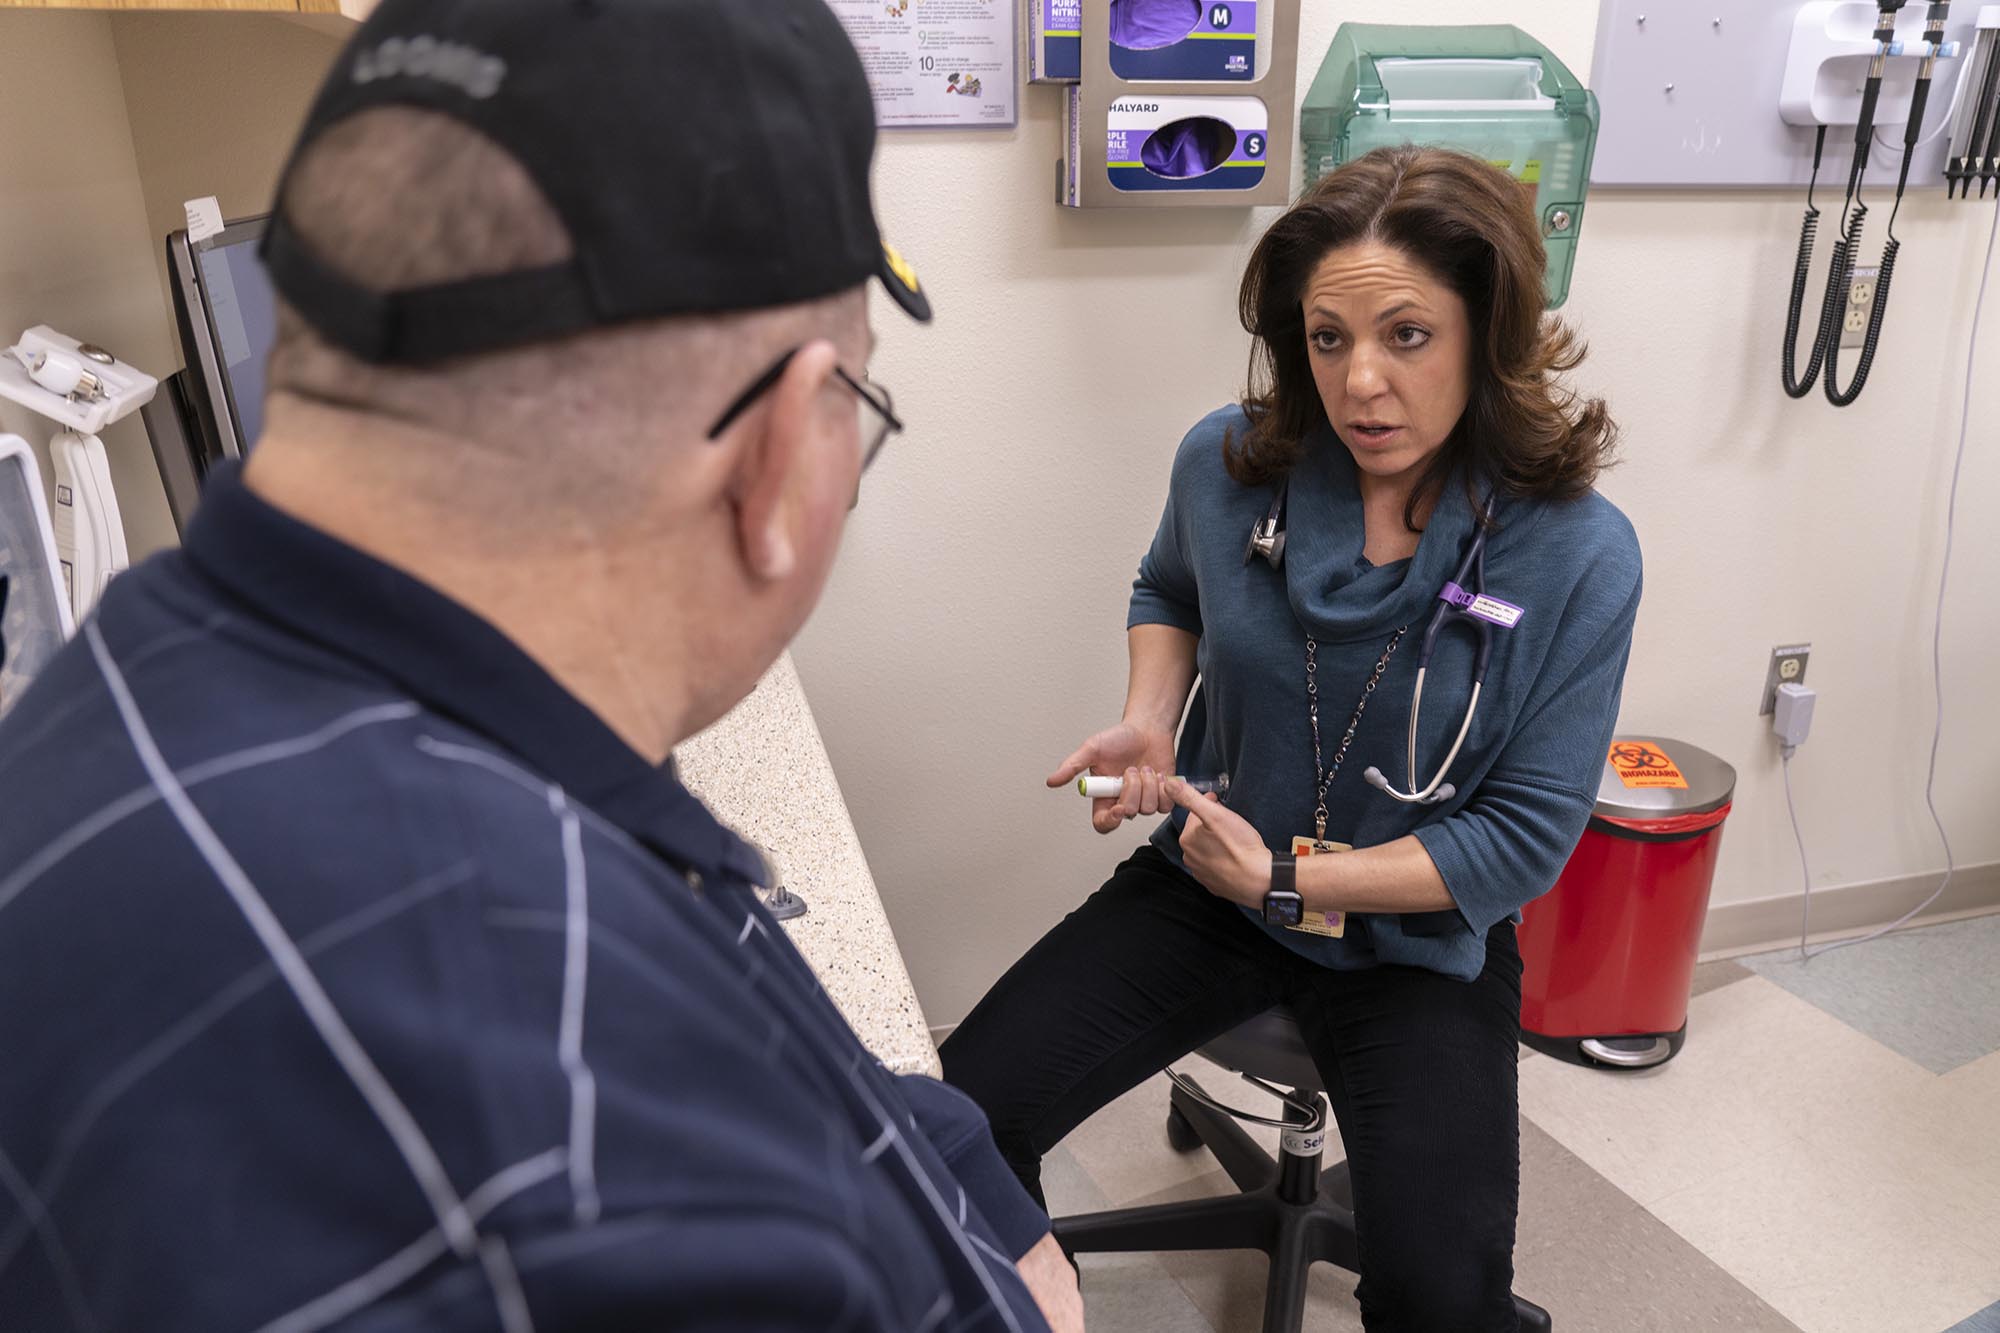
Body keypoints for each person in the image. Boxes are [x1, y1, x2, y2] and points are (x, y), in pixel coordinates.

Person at [0, 4, 1080, 1330]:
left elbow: (751, 1016)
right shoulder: (600, 1161)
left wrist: (973, 1176)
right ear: (787, 450)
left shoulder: (123, 681)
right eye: (862, 413)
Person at [941, 145, 1642, 1330]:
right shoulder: (1229, 465)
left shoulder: (1574, 549)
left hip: (1415, 936)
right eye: (1327, 339)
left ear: (1487, 328)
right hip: (1207, 885)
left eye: (1406, 336)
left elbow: (1521, 841)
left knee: (1442, 1293)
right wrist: (1153, 723)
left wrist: (1292, 877)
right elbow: (1168, 586)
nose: (1359, 382)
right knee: (952, 1123)